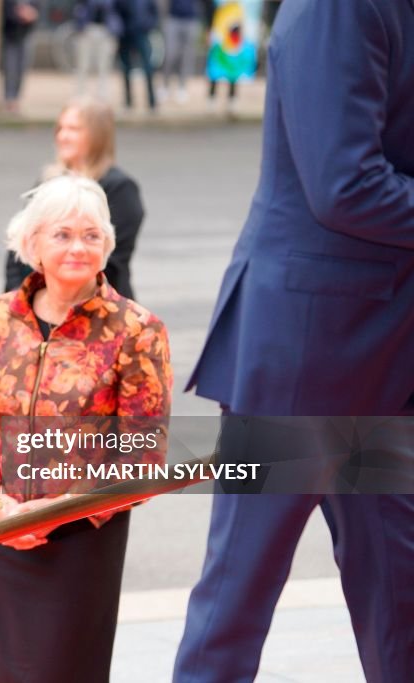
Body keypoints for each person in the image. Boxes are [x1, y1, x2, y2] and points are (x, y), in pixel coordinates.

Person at [175, 1, 414, 681]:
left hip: (387, 350)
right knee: (238, 599)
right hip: (303, 351)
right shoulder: (340, 7)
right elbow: (343, 185)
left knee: (401, 596)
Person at [0, 174, 171, 683]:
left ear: (107, 244)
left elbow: (144, 457)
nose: (78, 247)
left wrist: (56, 511)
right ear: (32, 243)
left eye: (91, 235)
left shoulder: (136, 329)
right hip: (1, 530)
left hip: (84, 540)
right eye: (62, 234)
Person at [5, 97, 144, 299]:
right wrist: (20, 297)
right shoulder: (48, 180)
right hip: (35, 304)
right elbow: (19, 245)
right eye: (60, 128)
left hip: (97, 308)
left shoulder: (120, 188)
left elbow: (109, 261)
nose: (63, 136)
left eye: (74, 129)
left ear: (97, 136)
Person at [73, 0, 122, 102]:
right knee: (83, 65)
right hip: (87, 29)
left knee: (104, 66)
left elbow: (116, 9)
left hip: (106, 30)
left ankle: (102, 95)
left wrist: (115, 30)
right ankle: (80, 94)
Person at [114, 0, 158, 112]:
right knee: (126, 68)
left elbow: (154, 11)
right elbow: (115, 11)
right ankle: (128, 102)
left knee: (148, 67)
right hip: (125, 34)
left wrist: (149, 25)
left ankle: (152, 101)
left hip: (141, 32)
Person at [1, 0, 40, 114]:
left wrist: (32, 13)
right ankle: (9, 99)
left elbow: (37, 7)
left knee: (22, 68)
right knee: (10, 68)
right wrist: (18, 14)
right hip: (11, 34)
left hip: (26, 33)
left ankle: (16, 98)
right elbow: (5, 10)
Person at [160, 0, 201, 104]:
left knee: (187, 57)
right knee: (170, 54)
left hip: (191, 19)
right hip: (173, 18)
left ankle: (182, 87)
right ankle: (165, 85)